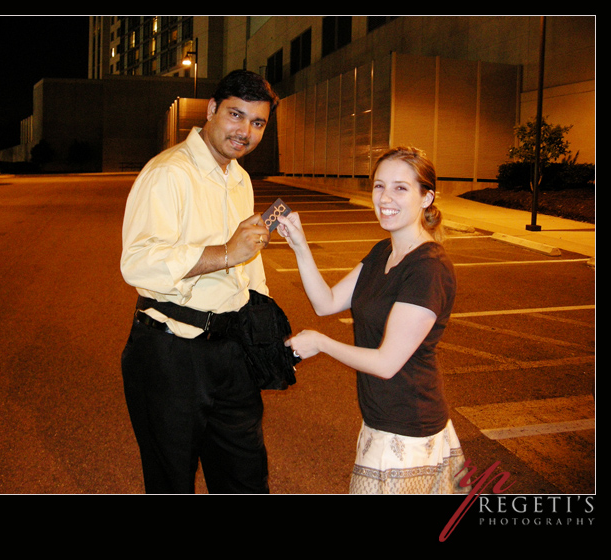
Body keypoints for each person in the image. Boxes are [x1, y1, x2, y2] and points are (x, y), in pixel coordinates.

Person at [120, 70, 279, 494]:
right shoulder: (169, 173)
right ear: (211, 110)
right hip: (170, 353)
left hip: (230, 352)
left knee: (244, 477)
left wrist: (263, 322)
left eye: (258, 122)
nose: (244, 131)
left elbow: (246, 261)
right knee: (171, 479)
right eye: (235, 115)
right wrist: (226, 253)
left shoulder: (239, 178)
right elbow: (138, 262)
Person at [277, 146, 468, 494]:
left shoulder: (428, 269)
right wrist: (301, 246)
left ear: (427, 197)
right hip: (380, 420)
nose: (385, 198)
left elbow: (386, 362)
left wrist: (321, 343)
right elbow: (327, 302)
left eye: (400, 188)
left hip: (408, 427)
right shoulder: (384, 250)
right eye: (379, 186)